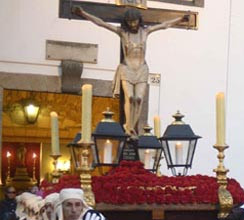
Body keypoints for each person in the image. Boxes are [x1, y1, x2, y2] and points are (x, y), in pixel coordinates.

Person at [73, 6, 189, 136]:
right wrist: (83, 13)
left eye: (135, 21)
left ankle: (131, 127)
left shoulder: (145, 32)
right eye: (130, 22)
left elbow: (165, 25)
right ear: (126, 22)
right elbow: (102, 23)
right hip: (127, 68)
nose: (133, 24)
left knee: (138, 99)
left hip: (141, 69)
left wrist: (180, 19)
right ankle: (128, 126)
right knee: (130, 97)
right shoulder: (123, 33)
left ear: (139, 20)